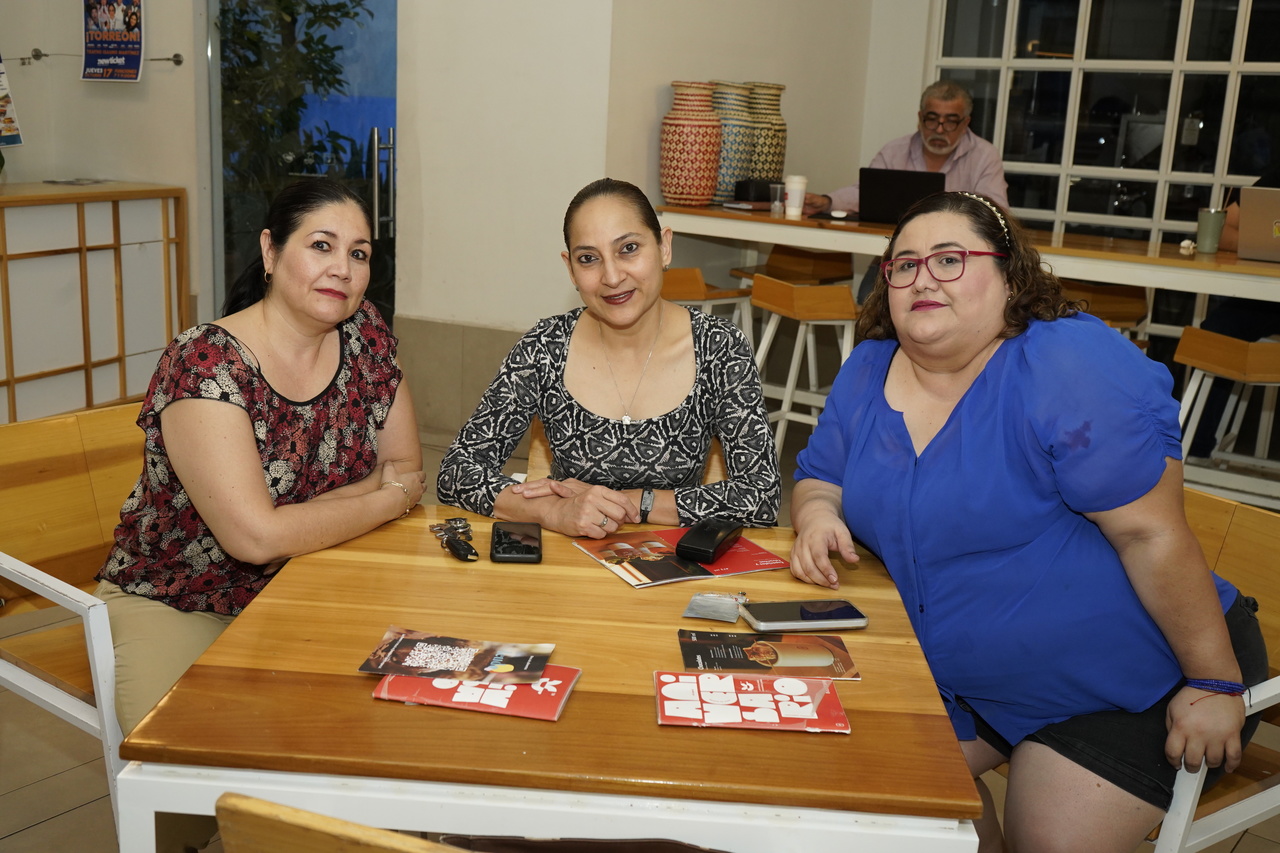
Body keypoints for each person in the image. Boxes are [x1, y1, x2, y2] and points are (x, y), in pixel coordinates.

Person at [787, 190, 1267, 852]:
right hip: (967, 684)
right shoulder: (870, 367)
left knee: (1045, 838)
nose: (922, 277)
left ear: (1011, 276)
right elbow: (819, 474)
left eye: (949, 259)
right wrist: (817, 514)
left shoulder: (1065, 365)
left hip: (1137, 675)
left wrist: (1213, 681)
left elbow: (1151, 534)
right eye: (905, 264)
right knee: (859, 789)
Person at [96, 178, 425, 740]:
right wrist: (386, 499)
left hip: (318, 575)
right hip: (185, 597)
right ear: (271, 251)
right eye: (321, 246)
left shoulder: (364, 334)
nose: (343, 269)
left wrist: (290, 531)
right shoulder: (206, 362)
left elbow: (407, 469)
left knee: (387, 721)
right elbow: (253, 541)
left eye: (359, 254)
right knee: (186, 757)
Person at [437, 177, 780, 538]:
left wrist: (633, 502)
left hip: (675, 561)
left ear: (664, 247)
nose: (612, 277)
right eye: (589, 259)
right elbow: (456, 472)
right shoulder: (546, 346)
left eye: (628, 248)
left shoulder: (718, 347)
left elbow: (761, 495)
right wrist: (553, 510)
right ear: (571, 269)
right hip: (565, 561)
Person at [803, 80, 1009, 215]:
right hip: (895, 252)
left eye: (950, 122)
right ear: (920, 118)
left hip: (958, 255)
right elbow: (865, 194)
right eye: (932, 119)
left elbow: (996, 211)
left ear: (965, 124)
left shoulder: (984, 156)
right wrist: (828, 202)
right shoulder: (894, 151)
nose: (939, 129)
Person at [1188, 166, 1280, 460]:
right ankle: (1195, 449)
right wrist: (1265, 244)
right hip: (1266, 298)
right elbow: (1222, 230)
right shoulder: (1276, 177)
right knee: (1216, 331)